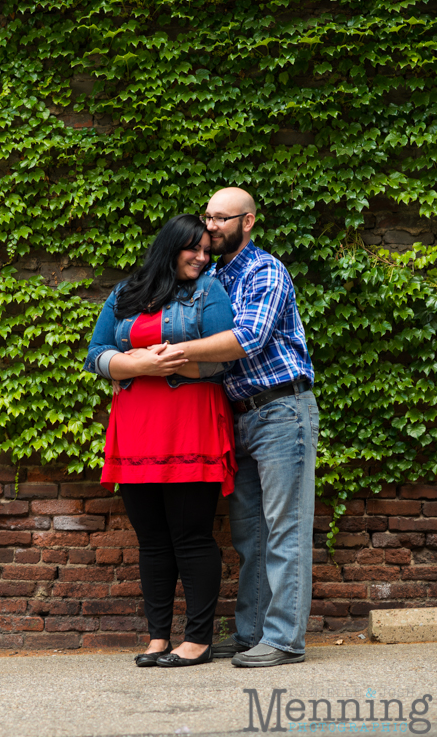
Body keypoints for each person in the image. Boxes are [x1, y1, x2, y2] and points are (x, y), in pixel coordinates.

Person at [148, 187, 318, 667]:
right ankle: (251, 634)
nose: (212, 226)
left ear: (248, 222)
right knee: (250, 535)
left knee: (286, 528)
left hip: (282, 410)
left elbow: (249, 337)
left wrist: (174, 354)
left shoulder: (265, 269)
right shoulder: (212, 275)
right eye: (208, 217)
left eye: (222, 218)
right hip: (238, 415)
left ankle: (285, 641)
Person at [84, 214, 238, 668]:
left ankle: (197, 640)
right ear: (170, 246)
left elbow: (227, 357)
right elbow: (96, 354)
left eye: (208, 251)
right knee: (150, 538)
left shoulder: (208, 291)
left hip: (191, 422)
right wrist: (135, 366)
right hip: (135, 427)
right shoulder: (125, 293)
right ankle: (156, 638)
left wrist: (167, 360)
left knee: (190, 536)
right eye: (194, 248)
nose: (202, 257)